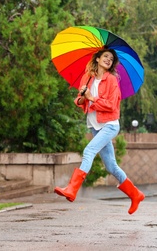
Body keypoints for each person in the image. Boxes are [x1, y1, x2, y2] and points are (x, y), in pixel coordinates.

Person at [54, 48, 145, 215]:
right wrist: (82, 98)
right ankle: (135, 194)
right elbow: (80, 100)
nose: (108, 60)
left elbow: (111, 105)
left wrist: (91, 98)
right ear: (97, 59)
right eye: (105, 56)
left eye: (111, 59)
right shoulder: (87, 78)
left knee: (88, 151)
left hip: (109, 125)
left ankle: (72, 189)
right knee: (111, 166)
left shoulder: (111, 80)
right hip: (95, 126)